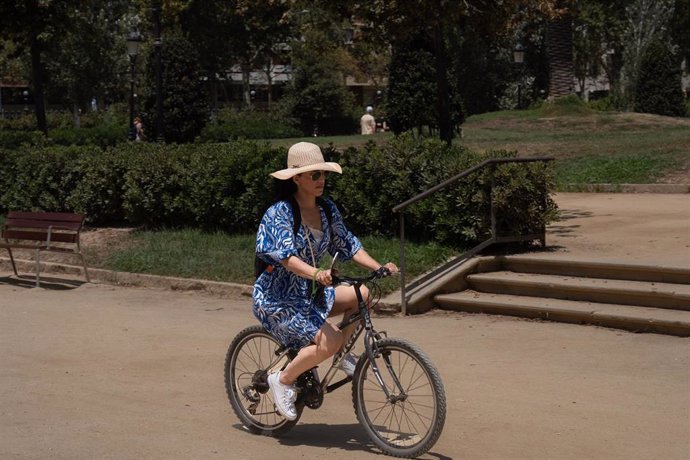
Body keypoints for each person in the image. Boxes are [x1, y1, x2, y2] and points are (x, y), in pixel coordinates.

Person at [253, 142, 398, 421]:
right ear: (297, 178)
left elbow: (350, 245)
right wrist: (316, 273)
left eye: (323, 174)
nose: (322, 180)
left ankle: (339, 355)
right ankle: (282, 380)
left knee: (364, 295)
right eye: (315, 175)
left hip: (310, 294)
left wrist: (379, 266)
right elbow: (285, 258)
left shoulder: (327, 210)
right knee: (328, 339)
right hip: (278, 299)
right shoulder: (279, 213)